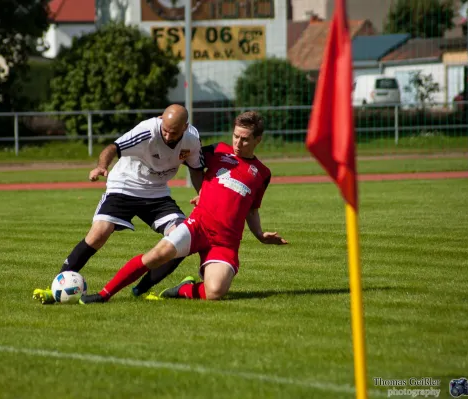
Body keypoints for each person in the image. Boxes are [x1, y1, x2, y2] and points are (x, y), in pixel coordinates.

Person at [79, 111, 288, 304]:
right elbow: (187, 155)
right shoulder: (217, 151)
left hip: (225, 243)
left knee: (215, 292)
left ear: (257, 140)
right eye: (236, 136)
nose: (238, 143)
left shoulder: (262, 173)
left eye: (245, 139)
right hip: (198, 227)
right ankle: (104, 294)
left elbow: (252, 210)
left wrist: (260, 235)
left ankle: (182, 289)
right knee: (155, 255)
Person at [33, 104, 204, 304]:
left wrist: (201, 193)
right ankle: (55, 287)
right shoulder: (147, 130)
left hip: (157, 193)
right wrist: (101, 166)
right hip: (125, 186)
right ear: (160, 119)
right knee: (99, 233)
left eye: (173, 133)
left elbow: (196, 168)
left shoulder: (192, 139)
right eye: (164, 130)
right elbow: (113, 147)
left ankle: (140, 290)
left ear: (185, 127)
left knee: (182, 237)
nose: (167, 136)